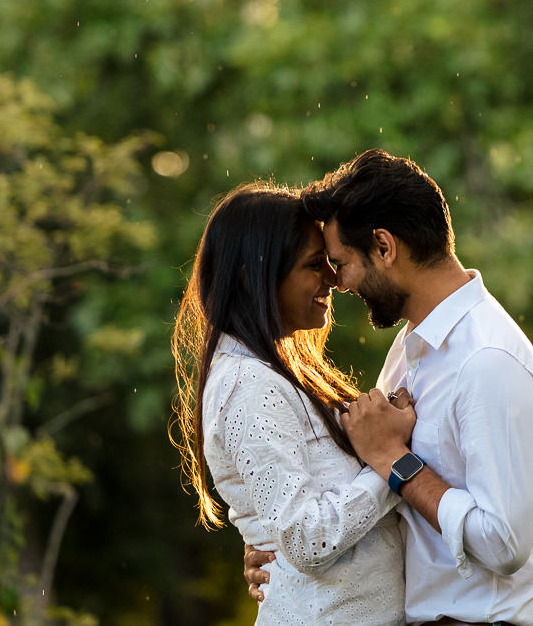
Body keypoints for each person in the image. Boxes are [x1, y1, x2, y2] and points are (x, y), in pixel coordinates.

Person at [249, 149, 533, 626]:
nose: (338, 283)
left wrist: (398, 463)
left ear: (384, 246)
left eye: (341, 262)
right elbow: (390, 506)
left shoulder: (487, 361)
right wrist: (283, 554)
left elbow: (503, 544)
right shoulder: (410, 349)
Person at [171, 181, 416, 625]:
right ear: (253, 276)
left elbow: (288, 521)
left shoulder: (272, 375)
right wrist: (392, 464)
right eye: (312, 265)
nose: (333, 278)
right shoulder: (248, 384)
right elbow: (307, 539)